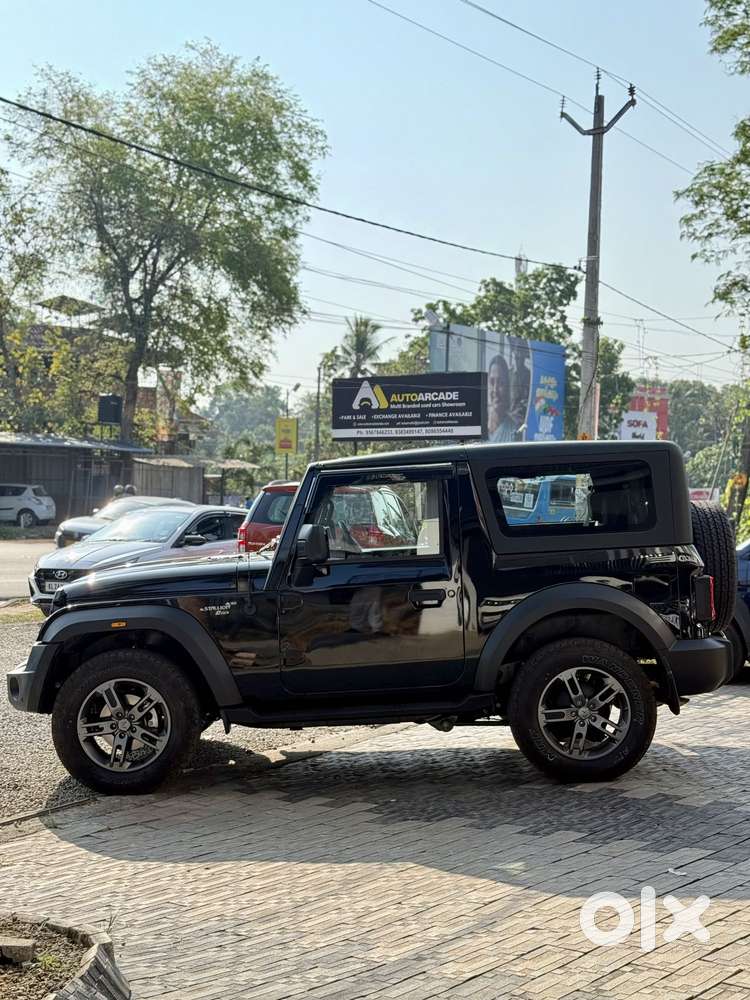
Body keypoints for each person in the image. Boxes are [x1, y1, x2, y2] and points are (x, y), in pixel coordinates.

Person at [487, 354, 516, 443]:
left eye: (500, 383)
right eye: (492, 382)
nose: (495, 390)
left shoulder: (513, 432)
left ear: (507, 387)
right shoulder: (478, 425)